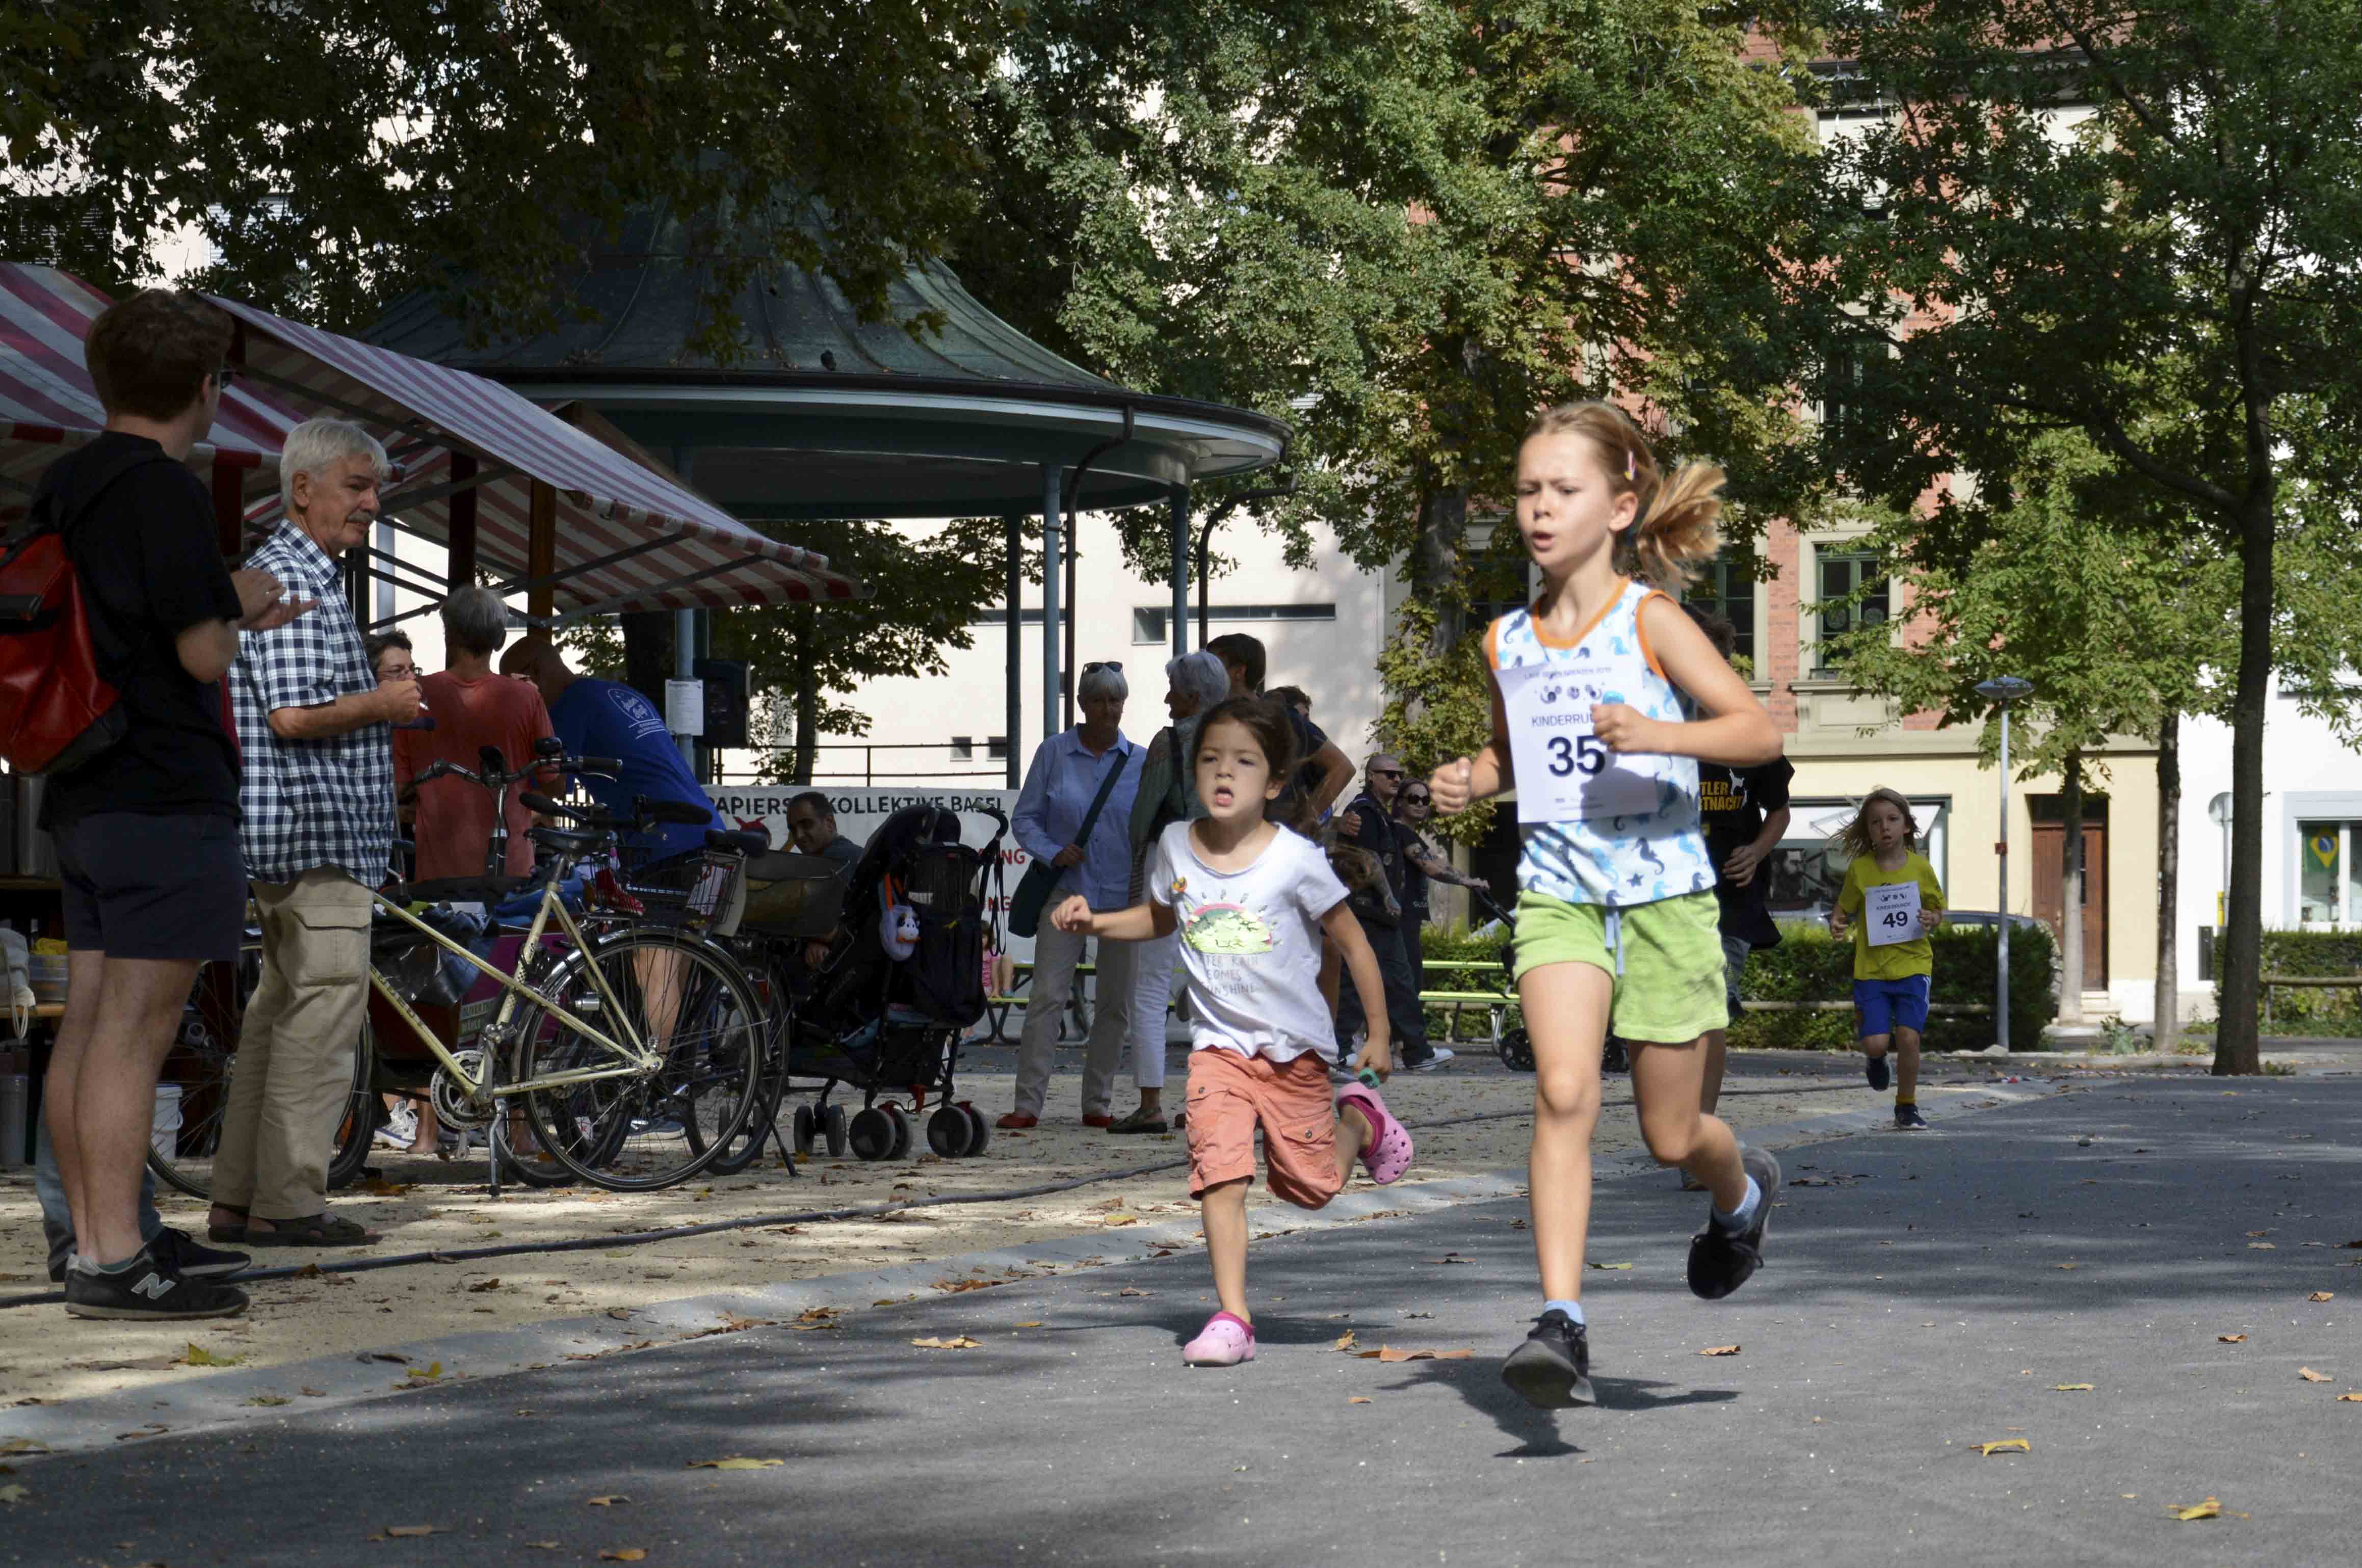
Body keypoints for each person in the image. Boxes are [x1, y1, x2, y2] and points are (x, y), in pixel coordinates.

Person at [1427, 400, 1786, 1410]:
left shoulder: (1653, 620)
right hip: (1561, 898)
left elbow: (1756, 732)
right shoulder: (1506, 638)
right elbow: (1521, 755)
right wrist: (1473, 775)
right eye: (1527, 490)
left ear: (1620, 504)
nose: (1539, 509)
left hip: (1666, 897)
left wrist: (1656, 734)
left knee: (1675, 1135)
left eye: (1563, 490)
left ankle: (1741, 1194)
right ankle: (1561, 1319)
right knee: (1564, 1090)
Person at [32, 289, 303, 1317]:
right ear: (206, 389)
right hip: (165, 787)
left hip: (84, 784)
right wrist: (243, 598)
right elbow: (199, 648)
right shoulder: (165, 492)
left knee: (89, 1024)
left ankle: (99, 1234)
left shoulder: (63, 483)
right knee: (133, 1038)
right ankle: (114, 1259)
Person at [1049, 695, 1413, 1367]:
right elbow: (1159, 919)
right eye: (1211, 759)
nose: (1224, 772)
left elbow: (1355, 945)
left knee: (1310, 1189)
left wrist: (1379, 1036)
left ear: (1273, 783)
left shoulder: (1295, 859)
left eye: (1243, 762)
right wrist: (1095, 922)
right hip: (1216, 1048)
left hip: (1292, 1051)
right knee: (1219, 1171)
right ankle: (1231, 1317)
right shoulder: (1173, 845)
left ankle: (1359, 1118)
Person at [212, 417, 416, 1250]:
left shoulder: (292, 568)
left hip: (293, 832)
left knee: (277, 1011)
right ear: (304, 488)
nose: (372, 502)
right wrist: (385, 703)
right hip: (315, 832)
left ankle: (239, 1198)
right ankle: (289, 1201)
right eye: (358, 486)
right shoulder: (293, 572)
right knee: (322, 1010)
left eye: (375, 489)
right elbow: (290, 716)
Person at [1682, 603, 1795, 1188]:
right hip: (1663, 893)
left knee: (1710, 1013)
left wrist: (1756, 849)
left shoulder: (1747, 730)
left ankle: (1698, 1137)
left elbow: (1778, 809)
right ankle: (1676, 1127)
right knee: (1665, 1022)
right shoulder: (1654, 726)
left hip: (1728, 894)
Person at [1002, 661, 1140, 1129]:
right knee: (1046, 997)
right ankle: (1028, 1105)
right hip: (1065, 893)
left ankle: (1097, 1103)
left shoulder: (1140, 761)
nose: (1109, 709)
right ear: (1081, 704)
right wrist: (1052, 851)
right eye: (1099, 700)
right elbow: (1024, 820)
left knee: (1116, 1003)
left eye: (1116, 700)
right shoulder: (1054, 753)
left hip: (1123, 897)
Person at [1108, 648, 1231, 1133]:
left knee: (1150, 985)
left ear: (1193, 697)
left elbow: (1143, 816)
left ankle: (1150, 1103)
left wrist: (1140, 852)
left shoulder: (1170, 741)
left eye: (1174, 691)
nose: (1166, 699)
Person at [498, 639, 724, 857]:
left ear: (536, 672)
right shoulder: (617, 692)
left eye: (514, 685)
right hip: (707, 831)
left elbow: (552, 788)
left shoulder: (569, 706)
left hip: (665, 843)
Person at [394, 589, 558, 882]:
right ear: (501, 641)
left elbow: (399, 789)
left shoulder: (412, 698)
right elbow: (554, 784)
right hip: (512, 866)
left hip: (437, 873)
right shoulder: (527, 698)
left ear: (448, 636)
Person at [1827, 788, 1944, 1130]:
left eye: (1893, 819)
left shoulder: (1921, 868)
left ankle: (1906, 1106)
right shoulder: (1860, 870)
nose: (1885, 827)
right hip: (1872, 970)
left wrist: (1931, 919)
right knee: (1876, 1041)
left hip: (1914, 965)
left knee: (1909, 1037)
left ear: (1907, 826)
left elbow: (1938, 909)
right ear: (1868, 831)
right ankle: (1876, 1059)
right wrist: (1837, 922)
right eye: (1876, 822)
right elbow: (1843, 907)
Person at [1331, 754, 1450, 1072]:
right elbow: (1367, 859)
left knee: (1396, 981)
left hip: (1375, 913)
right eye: (1389, 775)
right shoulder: (1364, 812)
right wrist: (1389, 898)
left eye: (1400, 775)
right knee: (1365, 982)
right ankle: (1346, 1048)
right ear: (1371, 776)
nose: (1396, 780)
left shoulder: (1380, 814)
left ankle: (1414, 1050)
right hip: (1367, 910)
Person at [1205, 633, 1353, 823]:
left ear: (1239, 672)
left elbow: (1342, 767)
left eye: (1214, 665)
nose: (1206, 672)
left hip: (1271, 839)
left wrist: (1305, 822)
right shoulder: (1211, 719)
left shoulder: (1283, 718)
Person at [784, 789, 863, 973]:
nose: (799, 836)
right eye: (793, 829)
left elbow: (816, 914)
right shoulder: (844, 854)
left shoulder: (837, 858)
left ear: (829, 822)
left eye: (806, 825)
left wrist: (818, 940)